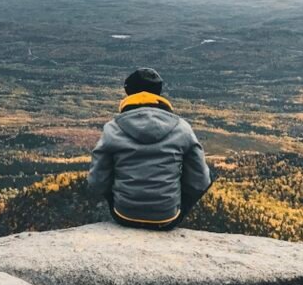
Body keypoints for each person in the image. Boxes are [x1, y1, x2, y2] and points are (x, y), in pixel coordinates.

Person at [88, 68, 213, 230]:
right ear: (158, 93)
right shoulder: (182, 128)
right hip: (167, 218)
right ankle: (169, 208)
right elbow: (201, 181)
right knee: (209, 173)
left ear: (128, 93)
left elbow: (97, 182)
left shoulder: (112, 128)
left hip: (124, 216)